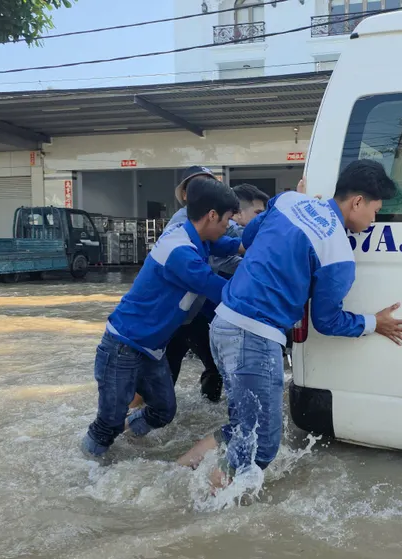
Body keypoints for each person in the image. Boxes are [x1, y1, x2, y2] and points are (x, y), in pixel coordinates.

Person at [176, 159, 402, 488]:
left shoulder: (290, 201)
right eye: (376, 211)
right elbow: (327, 321)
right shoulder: (338, 253)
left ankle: (177, 474)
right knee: (262, 446)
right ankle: (207, 503)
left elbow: (250, 235)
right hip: (255, 336)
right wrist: (374, 322)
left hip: (222, 324)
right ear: (357, 202)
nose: (374, 220)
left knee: (243, 427)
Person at [81, 177, 240, 459]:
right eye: (228, 219)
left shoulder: (195, 238)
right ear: (212, 215)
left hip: (151, 349)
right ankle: (89, 469)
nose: (229, 225)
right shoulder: (181, 252)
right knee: (106, 424)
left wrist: (263, 237)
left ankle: (126, 441)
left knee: (163, 411)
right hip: (123, 345)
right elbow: (222, 291)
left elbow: (228, 245)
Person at [129, 167, 245, 410]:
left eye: (208, 185)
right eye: (195, 187)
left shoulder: (204, 229)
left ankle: (202, 410)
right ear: (184, 196)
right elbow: (213, 271)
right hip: (169, 320)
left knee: (213, 364)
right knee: (160, 383)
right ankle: (132, 415)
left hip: (191, 313)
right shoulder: (182, 229)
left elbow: (229, 245)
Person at [194, 183, 271, 401]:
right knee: (216, 368)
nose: (261, 219)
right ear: (236, 214)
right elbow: (229, 258)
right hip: (200, 314)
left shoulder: (222, 236)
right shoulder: (231, 232)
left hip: (203, 312)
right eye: (258, 213)